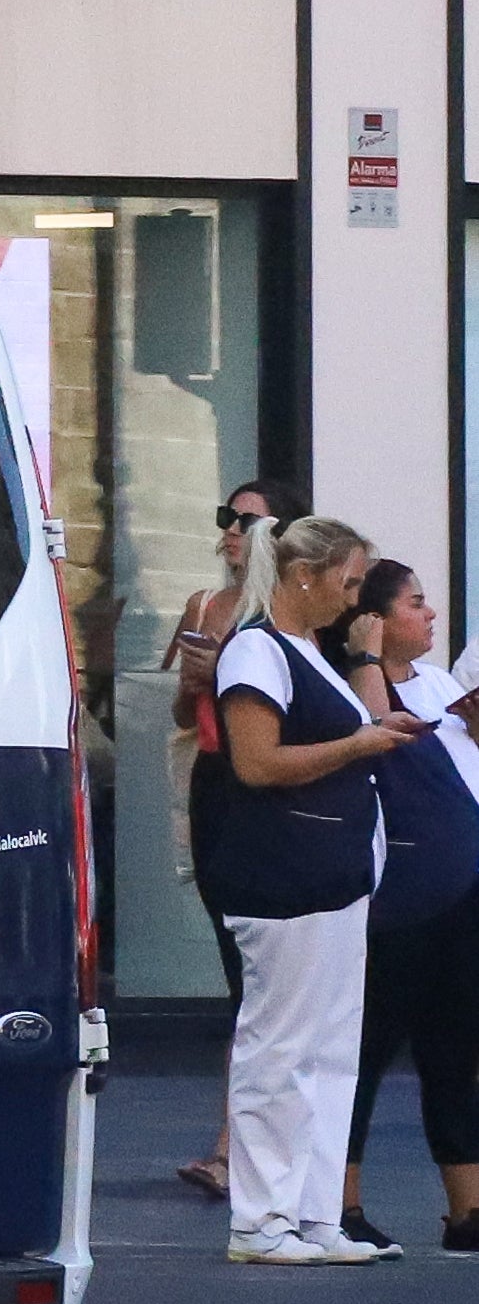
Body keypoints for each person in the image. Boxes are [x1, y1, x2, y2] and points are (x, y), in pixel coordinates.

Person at [200, 512, 417, 1265]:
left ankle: (314, 1216)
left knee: (329, 1053)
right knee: (279, 1049)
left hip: (333, 875)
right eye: (348, 581)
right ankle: (260, 1221)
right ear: (303, 574)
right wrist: (359, 742)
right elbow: (255, 763)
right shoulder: (256, 650)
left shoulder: (306, 651)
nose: (353, 597)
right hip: (286, 880)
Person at [339, 559, 479, 1255]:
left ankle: (467, 1209)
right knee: (363, 1050)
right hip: (395, 901)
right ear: (375, 618)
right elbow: (372, 730)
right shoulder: (359, 684)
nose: (429, 616)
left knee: (454, 1050)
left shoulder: (440, 685)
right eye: (415, 604)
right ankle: (342, 1199)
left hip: (459, 896)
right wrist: (365, 653)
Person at [164, 480, 292, 1198]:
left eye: (247, 520)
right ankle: (239, 1139)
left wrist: (230, 674)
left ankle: (231, 1142)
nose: (231, 531)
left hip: (264, 786)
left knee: (259, 976)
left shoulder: (286, 612)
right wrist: (195, 681)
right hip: (215, 781)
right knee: (237, 965)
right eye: (227, 518)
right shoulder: (205, 606)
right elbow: (184, 708)